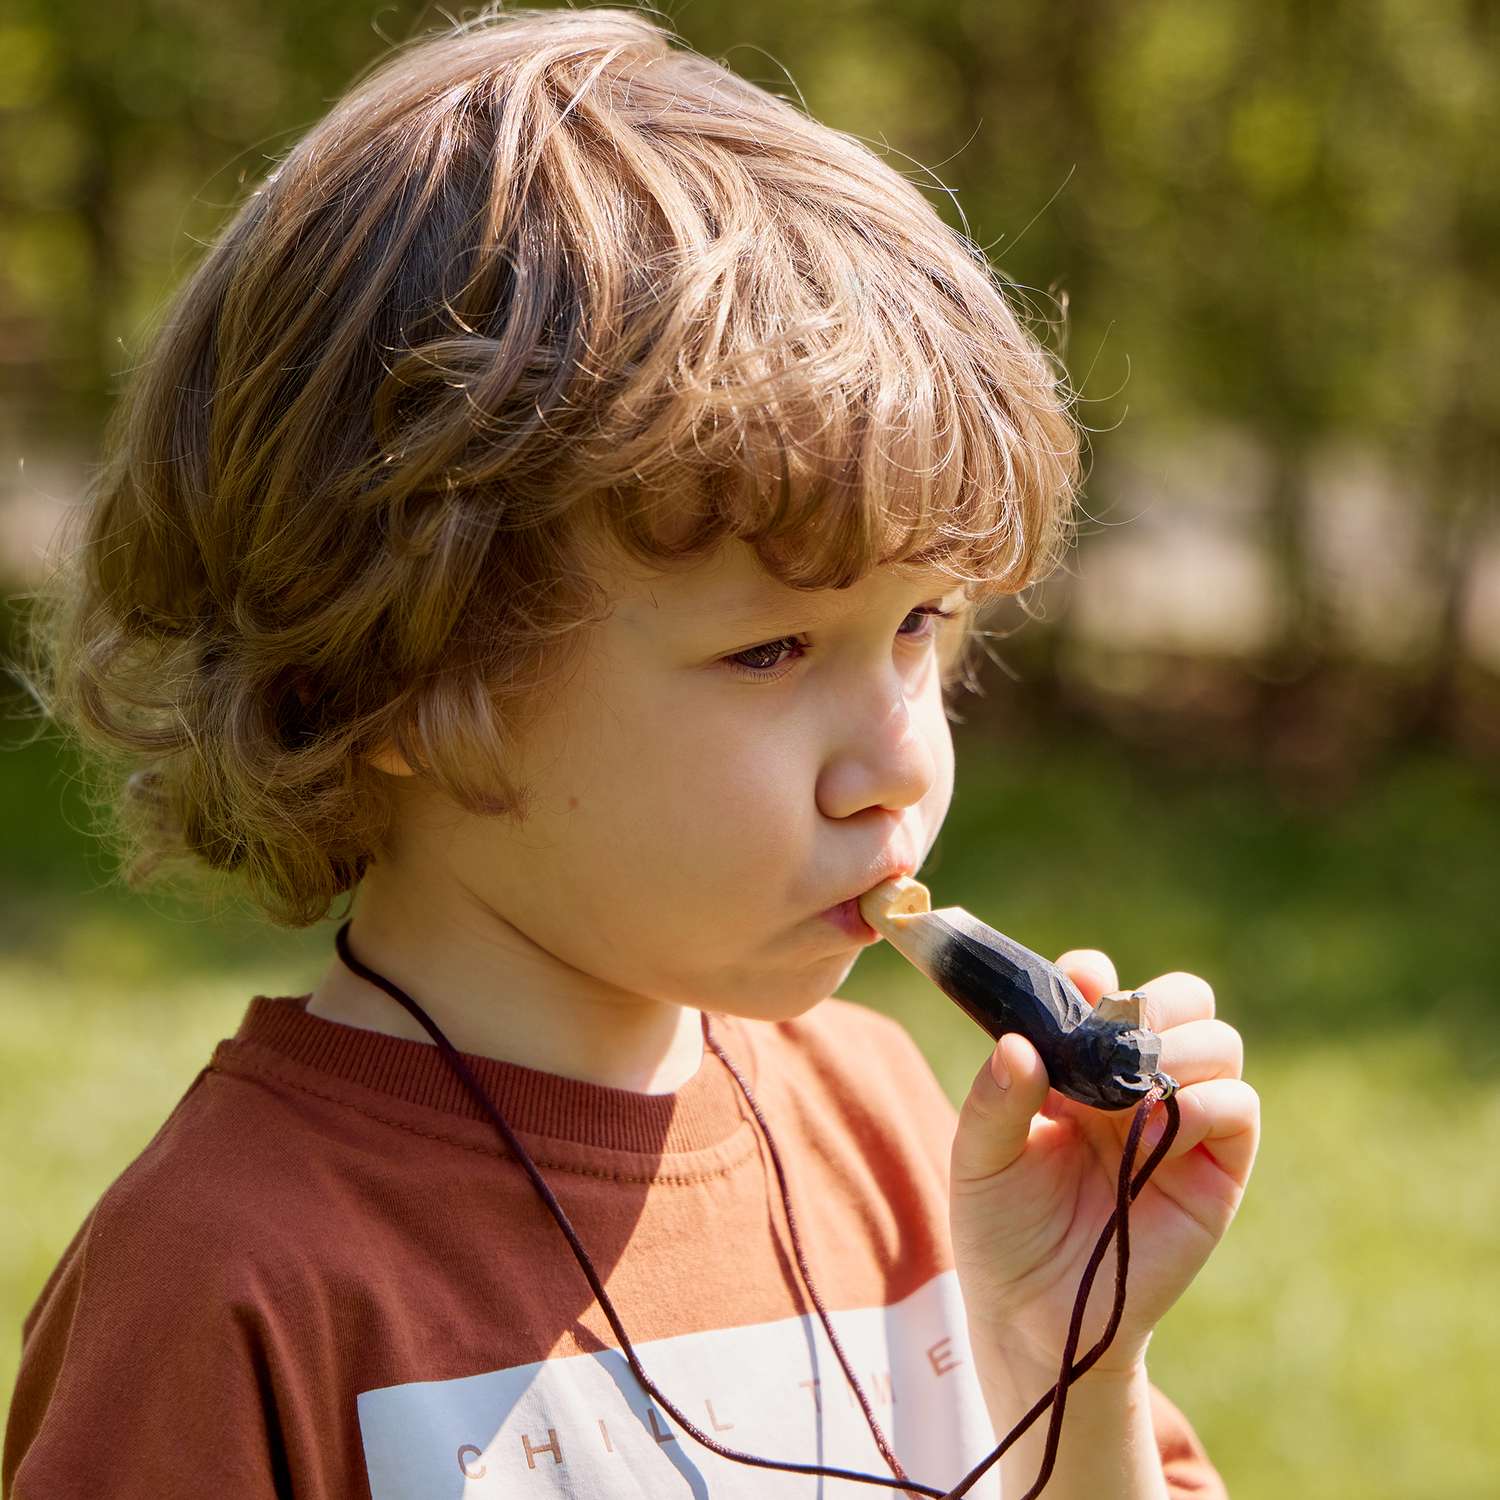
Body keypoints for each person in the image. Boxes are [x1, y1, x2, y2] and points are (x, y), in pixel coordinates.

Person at [4, 6, 1259, 1497]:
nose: (896, 765)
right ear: (400, 671)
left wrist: (1071, 1372)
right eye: (771, 650)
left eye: (921, 626)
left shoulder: (895, 1135)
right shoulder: (234, 1281)